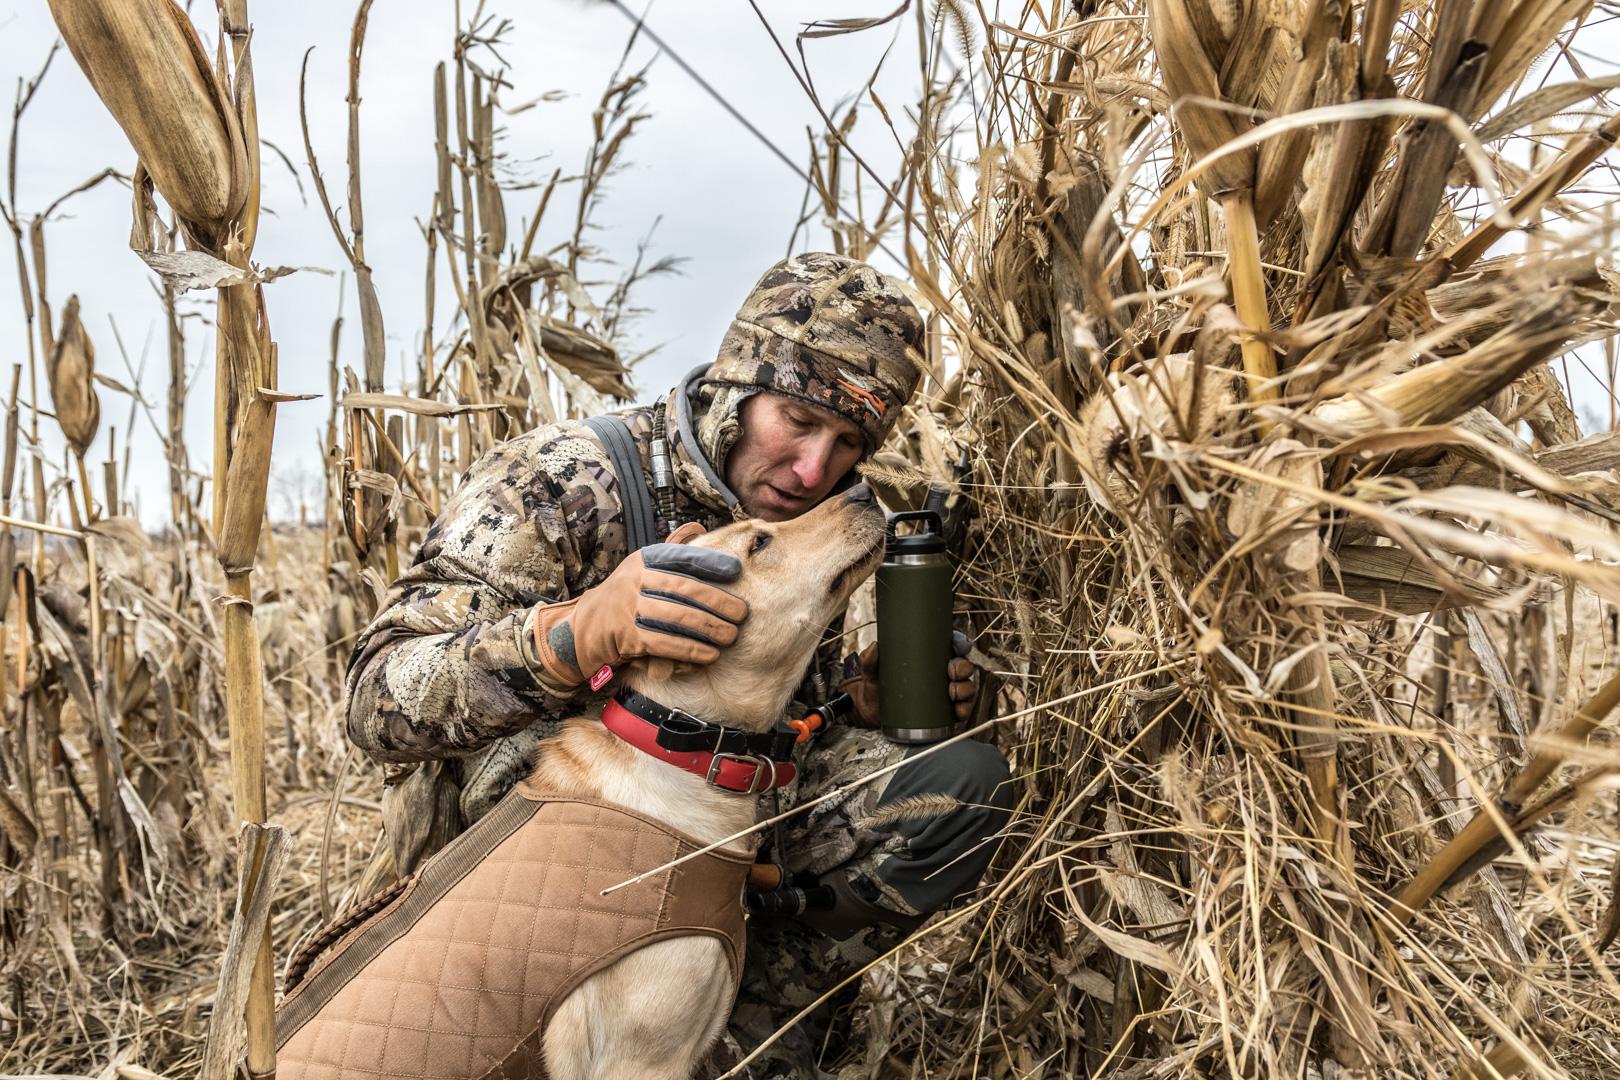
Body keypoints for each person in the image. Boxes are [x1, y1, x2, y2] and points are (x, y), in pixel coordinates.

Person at [344, 252, 1013, 1078]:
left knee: (955, 785)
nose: (813, 470)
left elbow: (749, 726)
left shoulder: (810, 522)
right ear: (737, 389)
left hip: (720, 843)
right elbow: (374, 701)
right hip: (525, 903)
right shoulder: (566, 483)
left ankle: (750, 1030)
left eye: (848, 443)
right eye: (797, 422)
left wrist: (849, 705)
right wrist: (577, 634)